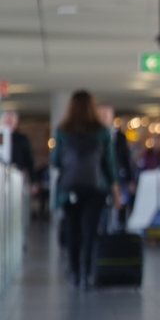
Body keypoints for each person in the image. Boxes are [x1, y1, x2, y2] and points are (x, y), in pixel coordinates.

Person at [51, 91, 120, 289]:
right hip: (95, 188)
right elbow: (110, 164)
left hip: (69, 188)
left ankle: (73, 271)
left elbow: (55, 161)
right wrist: (115, 192)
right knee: (90, 231)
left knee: (72, 231)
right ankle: (87, 272)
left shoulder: (62, 130)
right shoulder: (102, 131)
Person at [1, 110, 39, 213]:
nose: (8, 122)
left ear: (16, 122)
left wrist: (33, 181)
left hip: (16, 178)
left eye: (11, 120)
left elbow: (29, 161)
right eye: (7, 120)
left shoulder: (22, 139)